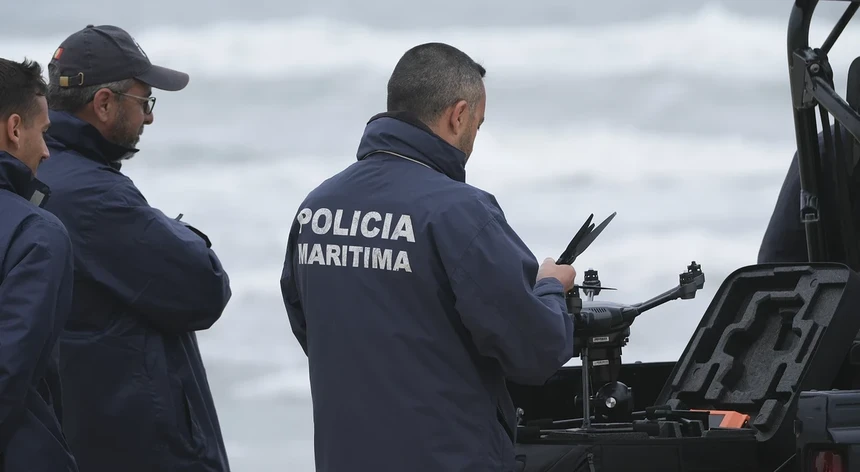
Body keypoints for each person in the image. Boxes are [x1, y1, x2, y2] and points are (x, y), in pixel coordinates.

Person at [280, 42, 578, 472]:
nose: (474, 137)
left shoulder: (317, 208)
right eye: (477, 123)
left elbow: (311, 328)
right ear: (458, 115)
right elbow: (534, 351)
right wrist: (549, 287)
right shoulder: (459, 212)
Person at [34, 25, 233, 472]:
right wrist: (182, 231)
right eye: (145, 102)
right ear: (104, 103)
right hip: (137, 447)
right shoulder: (95, 198)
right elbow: (204, 288)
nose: (149, 118)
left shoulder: (41, 176)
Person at [0, 57, 78, 471]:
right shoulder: (37, 235)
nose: (47, 151)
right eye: (43, 133)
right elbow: (8, 372)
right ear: (15, 129)